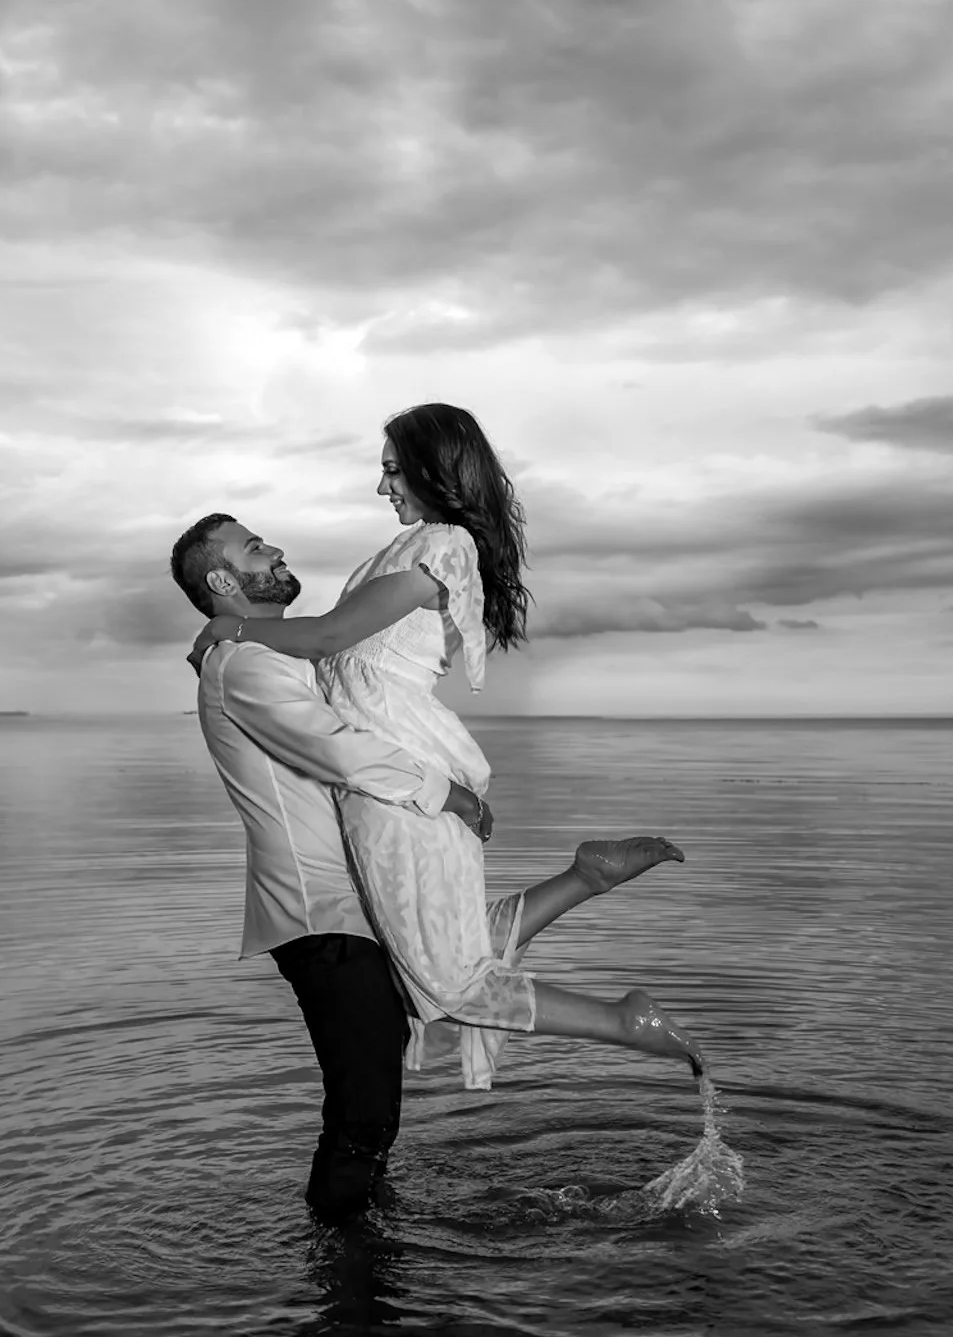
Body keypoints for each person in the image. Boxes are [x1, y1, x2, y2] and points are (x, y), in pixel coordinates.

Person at [184, 405, 699, 1095]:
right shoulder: (399, 553)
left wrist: (228, 632)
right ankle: (587, 878)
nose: (382, 487)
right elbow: (329, 661)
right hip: (401, 770)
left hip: (397, 774)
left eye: (393, 470)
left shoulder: (443, 547)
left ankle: (622, 1023)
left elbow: (329, 641)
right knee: (435, 951)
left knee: (448, 982)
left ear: (436, 469)